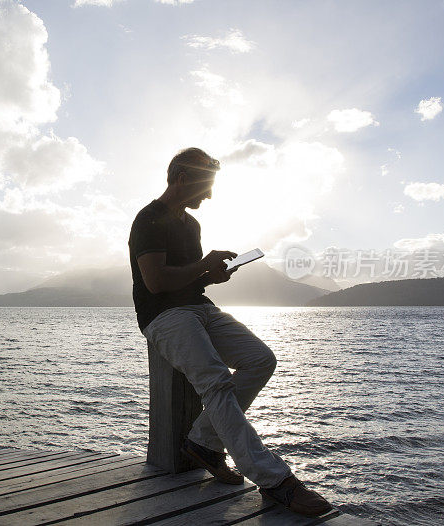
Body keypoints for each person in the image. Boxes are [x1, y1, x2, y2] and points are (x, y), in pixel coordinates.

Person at [128, 147, 333, 517]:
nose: (209, 196)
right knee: (217, 381)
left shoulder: (191, 225)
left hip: (199, 306)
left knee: (260, 360)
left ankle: (204, 441)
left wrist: (211, 276)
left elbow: (188, 279)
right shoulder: (149, 219)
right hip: (164, 315)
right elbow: (156, 283)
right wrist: (202, 265)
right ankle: (274, 481)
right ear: (182, 178)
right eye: (205, 186)